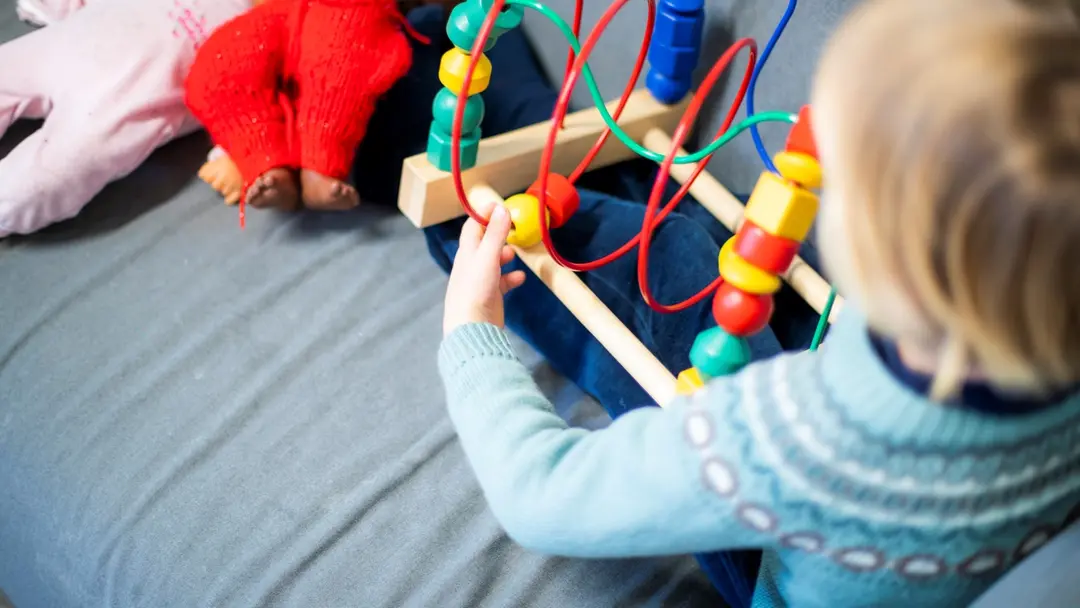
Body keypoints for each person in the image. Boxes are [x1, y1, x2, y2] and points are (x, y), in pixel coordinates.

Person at [434, 0, 1080, 605]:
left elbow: (543, 496)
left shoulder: (795, 439)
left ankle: (453, 115)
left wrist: (471, 332)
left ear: (888, 261)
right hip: (892, 500)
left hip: (789, 538)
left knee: (662, 256)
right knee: (677, 240)